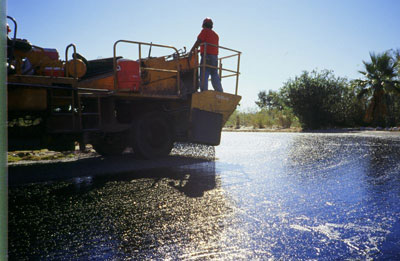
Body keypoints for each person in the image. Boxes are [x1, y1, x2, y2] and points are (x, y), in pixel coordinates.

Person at [189, 18, 223, 92]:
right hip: (214, 58)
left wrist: (191, 52)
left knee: (204, 73)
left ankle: (204, 91)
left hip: (206, 56)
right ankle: (219, 91)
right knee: (214, 74)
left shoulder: (205, 31)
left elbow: (198, 41)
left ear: (204, 25)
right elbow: (209, 45)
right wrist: (199, 50)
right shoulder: (216, 35)